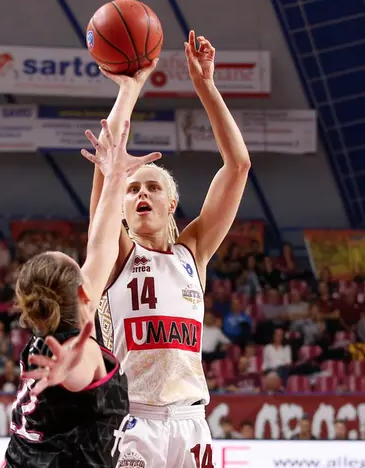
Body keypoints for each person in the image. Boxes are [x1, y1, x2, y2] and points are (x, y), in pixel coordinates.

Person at [87, 30, 252, 467]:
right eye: (132, 188)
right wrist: (130, 89)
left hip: (191, 422)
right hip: (133, 421)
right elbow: (109, 164)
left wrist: (206, 86)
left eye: (152, 186)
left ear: (171, 202)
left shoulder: (191, 253)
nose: (141, 193)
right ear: (119, 208)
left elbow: (237, 166)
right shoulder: (118, 253)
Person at [4, 120, 161, 467]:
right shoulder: (77, 349)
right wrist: (67, 370)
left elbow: (102, 238)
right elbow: (76, 369)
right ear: (83, 292)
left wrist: (114, 173)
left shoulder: (51, 334)